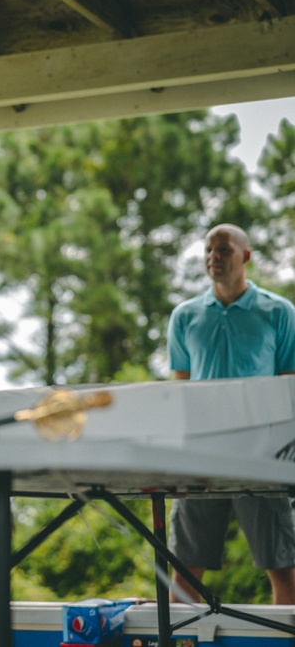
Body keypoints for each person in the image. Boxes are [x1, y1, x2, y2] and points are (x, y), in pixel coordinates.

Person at [167, 223, 295, 604]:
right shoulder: (185, 316)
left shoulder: (279, 312)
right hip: (201, 457)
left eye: (223, 250)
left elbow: (289, 387)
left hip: (261, 457)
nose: (213, 258)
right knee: (186, 569)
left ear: (246, 256)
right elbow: (180, 393)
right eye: (208, 250)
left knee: (284, 567)